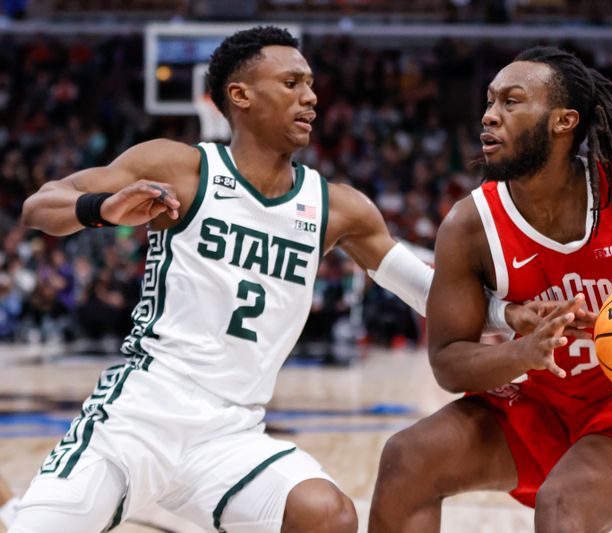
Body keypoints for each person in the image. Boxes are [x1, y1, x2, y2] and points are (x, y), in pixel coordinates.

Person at [11, 27, 524, 533]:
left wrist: (504, 315)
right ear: (241, 96)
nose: (311, 97)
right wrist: (102, 208)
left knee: (327, 515)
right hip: (138, 417)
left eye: (311, 84)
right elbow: (41, 205)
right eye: (292, 83)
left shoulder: (338, 207)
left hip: (232, 433)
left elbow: (422, 287)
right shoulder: (181, 167)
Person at [369, 46, 612, 532]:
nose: (489, 116)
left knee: (564, 507)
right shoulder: (469, 227)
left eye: (511, 102)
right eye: (490, 100)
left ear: (564, 122)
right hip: (548, 397)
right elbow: (448, 362)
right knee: (408, 459)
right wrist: (526, 352)